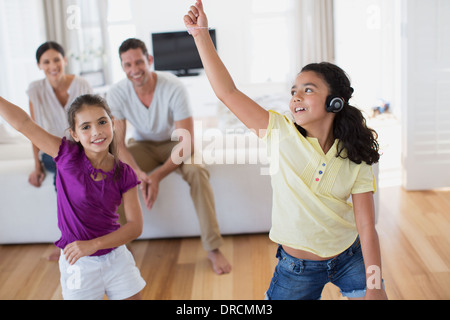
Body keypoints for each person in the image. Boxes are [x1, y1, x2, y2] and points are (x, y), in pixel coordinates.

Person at [184, 0, 388, 300]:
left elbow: (367, 226)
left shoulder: (355, 154)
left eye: (308, 89)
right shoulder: (278, 132)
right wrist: (201, 34)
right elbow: (227, 92)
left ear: (335, 102)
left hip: (349, 257)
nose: (296, 97)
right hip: (297, 269)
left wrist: (374, 286)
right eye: (293, 91)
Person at [0, 94, 146, 300]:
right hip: (78, 263)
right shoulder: (66, 156)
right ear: (74, 134)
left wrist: (93, 245)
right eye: (85, 127)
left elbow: (135, 227)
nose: (96, 131)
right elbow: (24, 123)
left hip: (116, 259)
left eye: (102, 122)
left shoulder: (125, 172)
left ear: (112, 123)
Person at [106, 38, 231, 275]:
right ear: (123, 67)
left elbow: (187, 141)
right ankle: (121, 249)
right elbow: (118, 143)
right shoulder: (117, 93)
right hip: (141, 145)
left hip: (174, 142)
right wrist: (139, 174)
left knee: (197, 171)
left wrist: (157, 176)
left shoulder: (173, 86)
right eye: (128, 65)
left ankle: (213, 248)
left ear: (149, 60)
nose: (134, 70)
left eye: (139, 62)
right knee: (115, 174)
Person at [27, 41, 92, 261]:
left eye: (56, 59)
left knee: (78, 172)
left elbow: (92, 120)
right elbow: (32, 128)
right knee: (63, 174)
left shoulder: (81, 84)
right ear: (39, 65)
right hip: (52, 153)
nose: (53, 65)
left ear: (64, 60)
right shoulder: (35, 90)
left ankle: (88, 237)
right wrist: (36, 166)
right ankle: (69, 240)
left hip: (83, 149)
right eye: (46, 61)